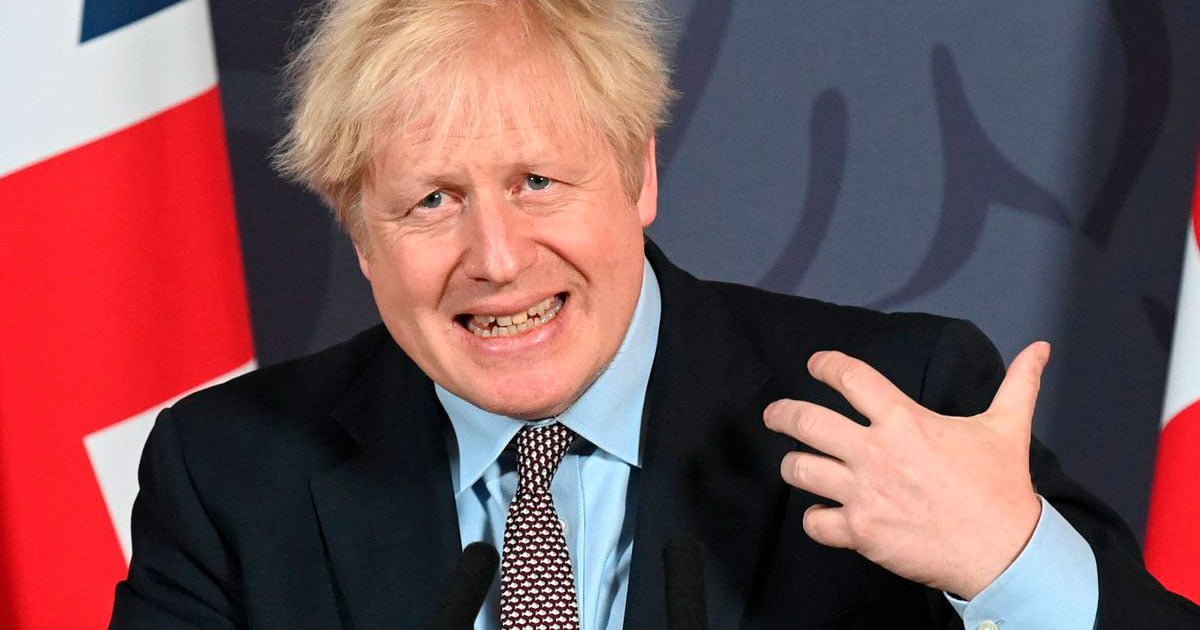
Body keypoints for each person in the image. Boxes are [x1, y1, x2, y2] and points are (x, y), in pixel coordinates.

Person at [110, 1, 1200, 628]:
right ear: (360, 233)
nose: (495, 259)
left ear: (638, 178)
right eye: (431, 201)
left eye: (540, 181)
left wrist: (1009, 560)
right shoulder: (232, 474)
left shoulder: (893, 405)